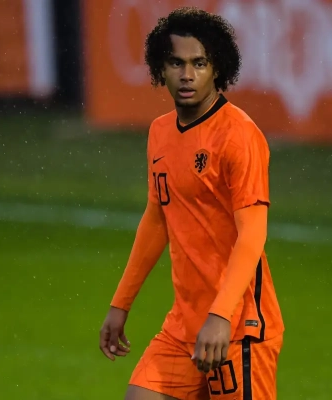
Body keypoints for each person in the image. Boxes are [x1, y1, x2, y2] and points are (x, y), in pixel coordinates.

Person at [99, 6, 284, 400]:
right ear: (160, 69)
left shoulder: (239, 136)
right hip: (183, 326)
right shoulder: (160, 133)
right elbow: (156, 220)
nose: (187, 74)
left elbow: (252, 234)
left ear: (217, 69)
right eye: (176, 63)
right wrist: (121, 303)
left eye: (199, 63)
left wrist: (220, 316)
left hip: (238, 328)